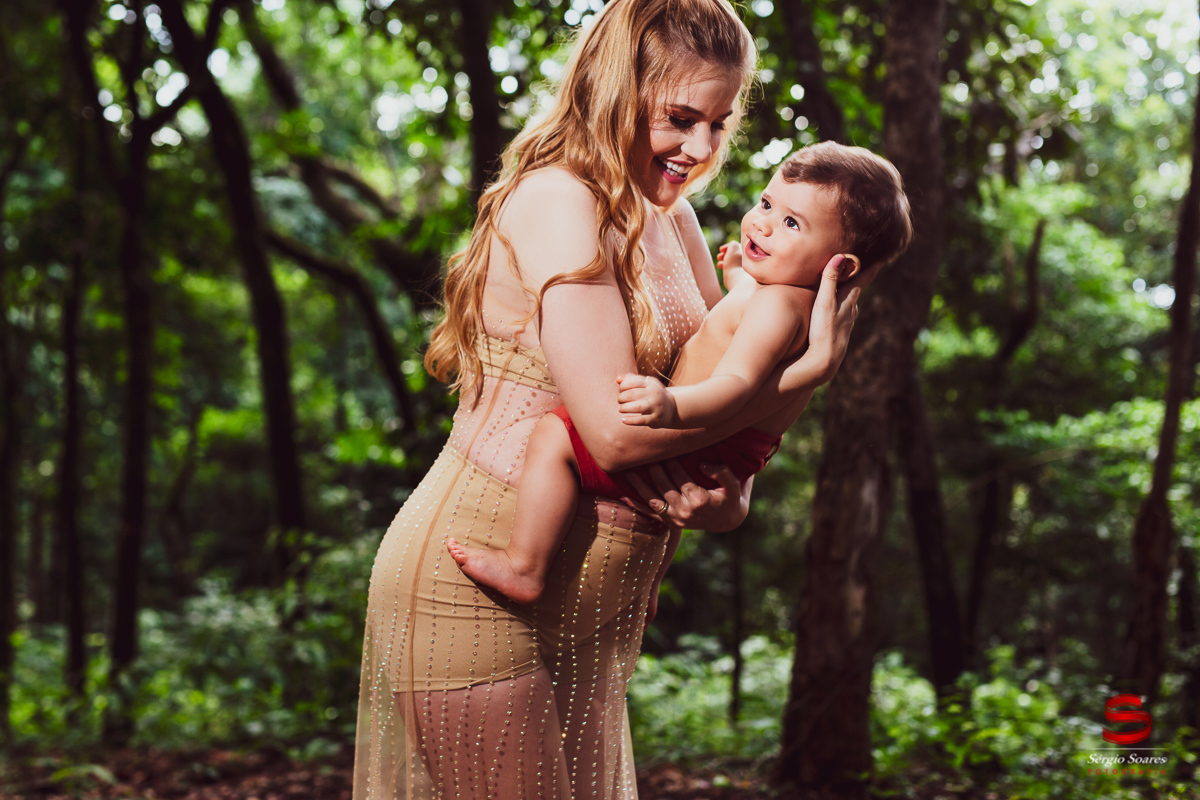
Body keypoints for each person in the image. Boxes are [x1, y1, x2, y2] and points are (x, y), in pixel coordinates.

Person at [352, 1, 868, 797]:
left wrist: (728, 499)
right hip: (476, 594)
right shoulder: (562, 201)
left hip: (596, 615)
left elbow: (718, 405)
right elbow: (615, 437)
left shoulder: (674, 217)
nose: (702, 149)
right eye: (680, 118)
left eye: (719, 123)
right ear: (616, 89)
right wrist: (807, 374)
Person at [444, 142, 912, 606]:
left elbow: (737, 384)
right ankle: (649, 586)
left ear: (840, 265)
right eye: (767, 204)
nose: (762, 223)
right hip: (728, 450)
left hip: (706, 430)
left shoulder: (776, 305)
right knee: (672, 501)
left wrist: (671, 405)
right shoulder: (787, 298)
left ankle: (525, 564)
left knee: (554, 436)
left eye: (792, 223)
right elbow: (742, 320)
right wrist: (735, 275)